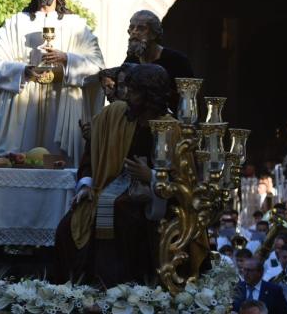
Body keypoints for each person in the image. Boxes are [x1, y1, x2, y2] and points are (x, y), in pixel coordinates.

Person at [53, 64, 201, 286]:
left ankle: (121, 288)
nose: (126, 95)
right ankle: (75, 287)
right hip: (106, 186)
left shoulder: (172, 130)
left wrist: (150, 176)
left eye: (134, 91)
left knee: (122, 211)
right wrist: (85, 184)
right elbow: (92, 153)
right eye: (127, 89)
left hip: (154, 199)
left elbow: (185, 183)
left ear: (149, 95)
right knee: (68, 226)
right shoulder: (115, 115)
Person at [0, 0, 105, 165]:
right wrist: (24, 71)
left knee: (57, 166)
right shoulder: (17, 23)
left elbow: (98, 67)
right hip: (25, 105)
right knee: (24, 165)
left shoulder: (76, 25)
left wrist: (67, 59)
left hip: (62, 101)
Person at [123, 10, 193, 110]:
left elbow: (189, 100)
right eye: (131, 28)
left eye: (141, 28)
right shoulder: (131, 60)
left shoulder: (177, 61)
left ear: (154, 34)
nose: (134, 32)